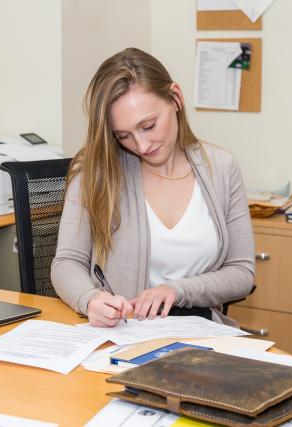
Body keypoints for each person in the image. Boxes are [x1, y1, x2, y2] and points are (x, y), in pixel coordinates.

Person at [52, 47, 255, 328]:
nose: (142, 146)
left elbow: (242, 273)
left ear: (175, 98)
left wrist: (176, 291)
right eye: (123, 136)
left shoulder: (221, 168)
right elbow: (66, 262)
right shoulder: (95, 174)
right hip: (122, 334)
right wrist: (89, 298)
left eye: (148, 125)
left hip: (200, 333)